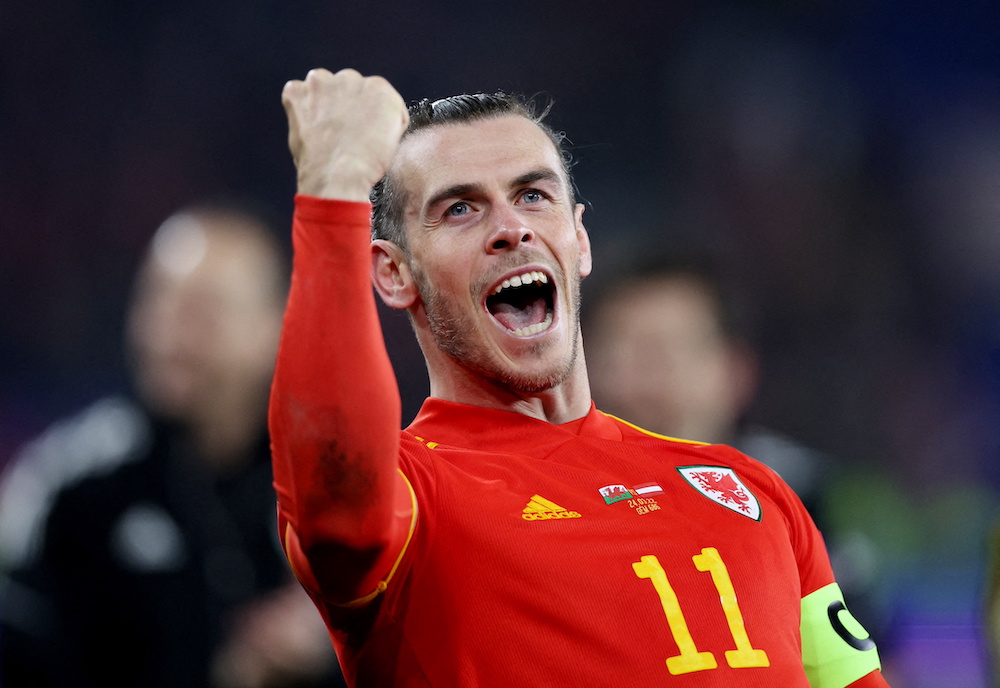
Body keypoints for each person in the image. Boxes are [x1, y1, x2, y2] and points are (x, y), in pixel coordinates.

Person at [269, 67, 890, 687]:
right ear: (394, 275)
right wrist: (334, 184)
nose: (512, 228)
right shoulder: (411, 498)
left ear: (580, 240)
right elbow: (334, 497)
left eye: (533, 195)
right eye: (460, 209)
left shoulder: (756, 494)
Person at [0, 204, 344, 687]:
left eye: (201, 310)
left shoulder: (336, 483)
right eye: (156, 298)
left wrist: (335, 639)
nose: (167, 330)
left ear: (277, 325)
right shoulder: (70, 487)